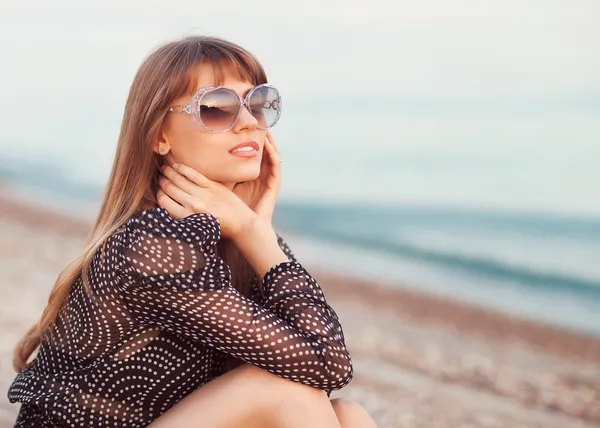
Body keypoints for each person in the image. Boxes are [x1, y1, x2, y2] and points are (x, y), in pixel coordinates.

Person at [7, 36, 378, 427]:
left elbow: (323, 368)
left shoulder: (234, 235)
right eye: (217, 108)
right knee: (280, 391)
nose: (250, 123)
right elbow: (327, 363)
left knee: (348, 415)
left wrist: (255, 230)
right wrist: (257, 234)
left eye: (257, 103)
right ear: (159, 136)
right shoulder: (151, 245)